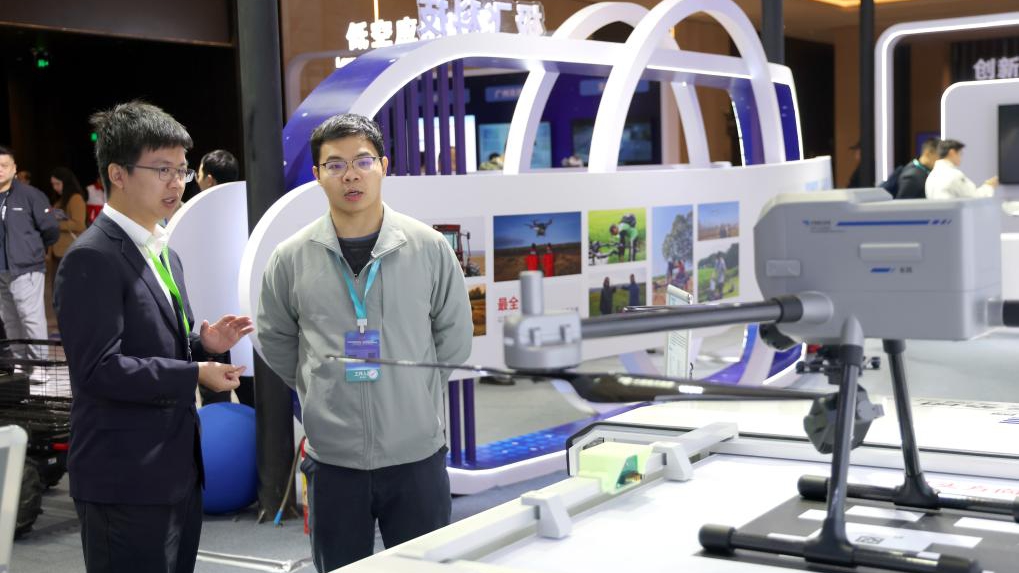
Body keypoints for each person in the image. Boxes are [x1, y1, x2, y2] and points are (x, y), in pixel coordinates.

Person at [257, 113, 472, 572]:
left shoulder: (428, 247)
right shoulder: (290, 257)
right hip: (333, 460)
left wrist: (413, 394)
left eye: (362, 161)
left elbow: (454, 336)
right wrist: (321, 385)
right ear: (317, 175)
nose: (350, 175)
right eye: (335, 165)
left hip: (415, 454)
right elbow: (275, 338)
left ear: (383, 166)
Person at [54, 101, 251, 573]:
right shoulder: (92, 257)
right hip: (123, 477)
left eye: (182, 169)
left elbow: (153, 347)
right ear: (117, 174)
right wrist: (195, 372)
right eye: (162, 169)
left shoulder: (163, 250)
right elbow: (99, 369)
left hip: (175, 470)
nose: (177, 182)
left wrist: (203, 345)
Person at [0, 145, 59, 366]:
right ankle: (20, 364)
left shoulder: (30, 195)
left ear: (14, 168)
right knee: (9, 320)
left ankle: (39, 366)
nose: (0, 170)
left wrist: (32, 250)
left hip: (26, 269)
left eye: (4, 165)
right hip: (1, 272)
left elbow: (50, 229)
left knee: (31, 319)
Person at [925, 139, 999, 200]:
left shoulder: (931, 176)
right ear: (952, 152)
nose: (961, 158)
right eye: (960, 153)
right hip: (954, 213)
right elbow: (974, 198)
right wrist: (989, 186)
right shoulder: (954, 175)